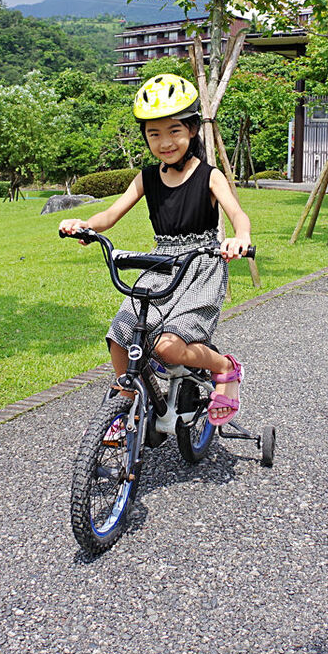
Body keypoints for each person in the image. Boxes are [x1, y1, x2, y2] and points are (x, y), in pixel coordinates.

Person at [59, 73, 252, 426]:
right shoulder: (146, 177)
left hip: (200, 267)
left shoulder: (209, 175)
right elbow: (111, 214)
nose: (165, 142)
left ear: (192, 130)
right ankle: (127, 396)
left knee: (166, 346)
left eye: (174, 131)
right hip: (162, 264)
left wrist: (239, 237)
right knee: (120, 334)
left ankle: (225, 365)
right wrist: (85, 225)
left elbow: (238, 214)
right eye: (154, 133)